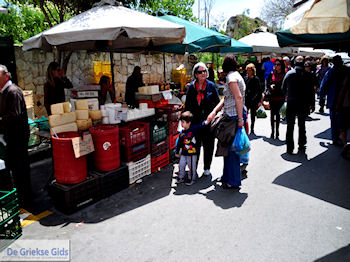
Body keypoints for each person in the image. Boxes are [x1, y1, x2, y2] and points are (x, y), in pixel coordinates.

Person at [207, 55, 245, 189]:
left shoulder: (231, 78)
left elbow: (238, 97)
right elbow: (227, 98)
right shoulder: (236, 75)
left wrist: (240, 118)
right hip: (233, 116)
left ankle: (233, 181)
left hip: (233, 117)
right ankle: (227, 176)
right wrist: (215, 111)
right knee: (228, 149)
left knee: (232, 151)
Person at [0, 65, 32, 206]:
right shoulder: (4, 92)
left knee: (21, 168)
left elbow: (14, 116)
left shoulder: (13, 92)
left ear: (6, 76)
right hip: (10, 137)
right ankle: (22, 196)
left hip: (17, 137)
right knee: (15, 167)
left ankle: (26, 199)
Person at [185, 62, 220, 177]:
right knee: (195, 146)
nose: (203, 73)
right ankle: (193, 168)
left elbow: (217, 103)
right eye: (200, 72)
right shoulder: (191, 88)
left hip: (208, 121)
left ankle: (207, 167)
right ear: (195, 74)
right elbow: (187, 106)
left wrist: (214, 115)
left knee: (209, 145)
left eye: (204, 71)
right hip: (195, 122)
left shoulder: (211, 86)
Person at [282, 56, 315, 154]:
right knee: (302, 124)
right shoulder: (308, 75)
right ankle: (301, 144)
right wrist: (312, 104)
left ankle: (289, 147)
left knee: (290, 125)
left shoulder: (289, 74)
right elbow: (311, 91)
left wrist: (288, 96)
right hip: (303, 103)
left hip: (291, 102)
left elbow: (283, 88)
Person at [319, 55, 348, 146]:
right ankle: (342, 137)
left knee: (334, 120)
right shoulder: (346, 70)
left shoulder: (331, 71)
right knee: (343, 119)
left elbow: (324, 84)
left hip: (333, 99)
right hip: (346, 100)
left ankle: (335, 138)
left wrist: (322, 95)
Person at [175, 111, 207, 186]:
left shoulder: (193, 129)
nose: (181, 124)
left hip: (192, 153)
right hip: (184, 153)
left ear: (189, 122)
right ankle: (180, 177)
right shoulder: (181, 133)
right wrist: (177, 152)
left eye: (183, 122)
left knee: (191, 167)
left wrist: (206, 121)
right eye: (181, 122)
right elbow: (179, 143)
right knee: (181, 165)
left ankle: (191, 178)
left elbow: (201, 125)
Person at [267, 59, 285, 139]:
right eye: (276, 64)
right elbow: (268, 83)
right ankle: (272, 131)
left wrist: (276, 87)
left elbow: (284, 86)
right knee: (272, 114)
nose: (277, 66)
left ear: (281, 66)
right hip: (272, 96)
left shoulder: (284, 74)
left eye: (278, 64)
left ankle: (277, 131)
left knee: (277, 115)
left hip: (280, 96)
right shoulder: (272, 74)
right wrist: (270, 86)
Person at [244, 63, 263, 134]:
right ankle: (245, 127)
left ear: (253, 71)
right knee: (245, 114)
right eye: (247, 70)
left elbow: (259, 90)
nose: (248, 72)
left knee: (253, 114)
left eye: (249, 70)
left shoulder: (256, 79)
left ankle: (252, 128)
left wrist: (259, 100)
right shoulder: (245, 78)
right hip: (246, 99)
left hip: (254, 99)